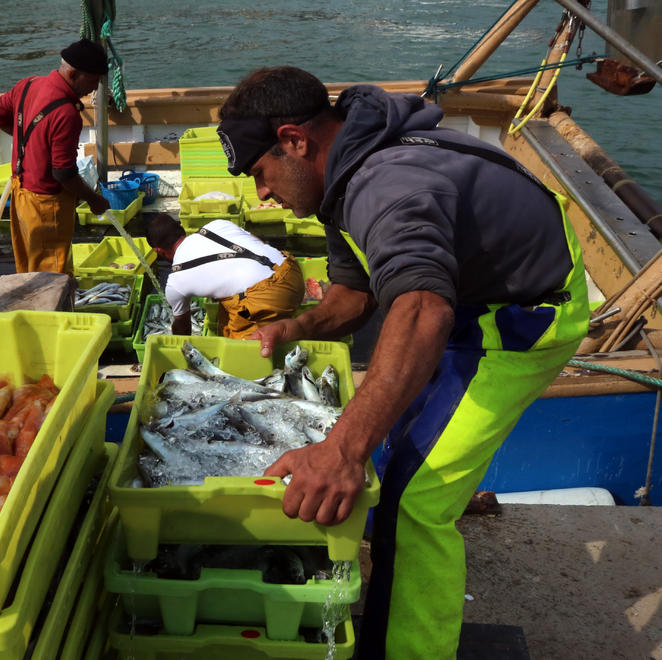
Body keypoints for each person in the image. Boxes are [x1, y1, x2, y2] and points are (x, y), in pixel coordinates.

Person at [217, 67, 588, 659]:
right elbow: (355, 294)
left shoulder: (385, 186)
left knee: (416, 504)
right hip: (467, 297)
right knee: (395, 455)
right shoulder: (340, 176)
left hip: (523, 318)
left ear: (294, 140)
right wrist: (302, 325)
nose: (261, 193)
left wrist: (340, 451)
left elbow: (420, 311)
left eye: (260, 174)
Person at [0, 39, 110, 274]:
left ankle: (30, 309)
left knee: (28, 270)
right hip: (46, 207)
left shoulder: (28, 85)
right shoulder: (67, 114)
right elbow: (64, 173)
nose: (94, 89)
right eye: (93, 81)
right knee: (52, 277)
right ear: (74, 74)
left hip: (20, 195)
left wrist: (29, 142)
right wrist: (93, 199)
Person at [146, 213, 304, 338]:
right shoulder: (218, 224)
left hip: (269, 298)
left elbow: (183, 328)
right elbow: (257, 242)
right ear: (181, 229)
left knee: (238, 352)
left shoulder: (175, 282)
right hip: (291, 270)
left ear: (158, 251)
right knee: (227, 312)